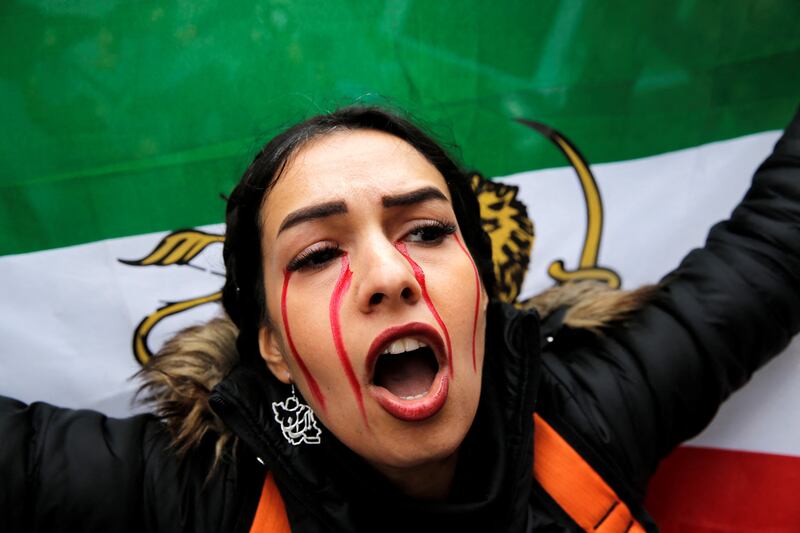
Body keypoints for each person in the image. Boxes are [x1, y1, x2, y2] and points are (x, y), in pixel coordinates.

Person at [1, 105, 799, 532]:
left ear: (483, 289)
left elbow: (776, 249)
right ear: (273, 348)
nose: (387, 274)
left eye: (426, 230)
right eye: (317, 254)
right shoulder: (197, 489)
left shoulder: (586, 412)